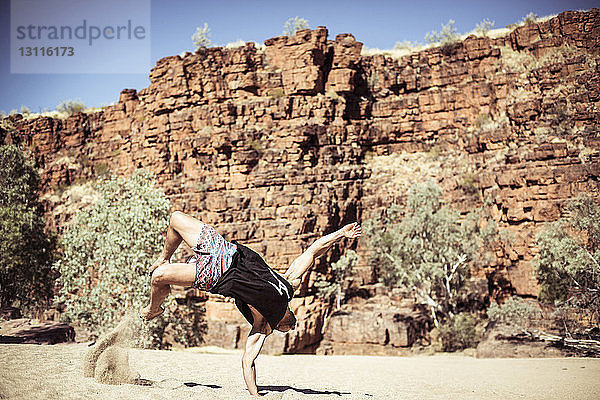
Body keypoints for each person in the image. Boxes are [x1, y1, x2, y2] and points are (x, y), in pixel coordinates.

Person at [140, 211, 361, 397]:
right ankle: (163, 257)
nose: (293, 325)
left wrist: (255, 394)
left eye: (288, 329)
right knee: (176, 218)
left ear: (279, 328)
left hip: (216, 275)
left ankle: (153, 309)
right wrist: (341, 233)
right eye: (293, 323)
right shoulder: (288, 285)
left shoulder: (262, 325)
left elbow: (248, 361)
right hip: (224, 249)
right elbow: (313, 251)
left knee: (158, 277)